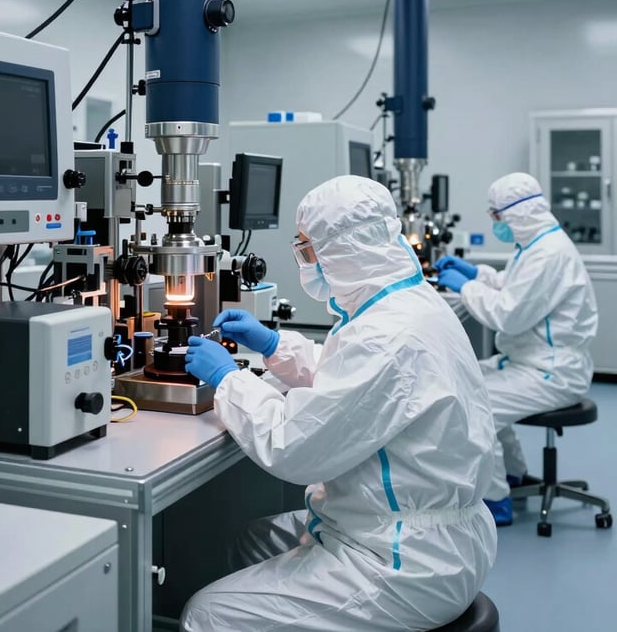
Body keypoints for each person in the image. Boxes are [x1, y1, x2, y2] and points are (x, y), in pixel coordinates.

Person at [181, 175, 497, 632]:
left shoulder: (386, 334)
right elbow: (352, 384)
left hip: (402, 561)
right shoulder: (404, 304)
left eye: (308, 250)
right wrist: (274, 346)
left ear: (342, 249)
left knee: (205, 613)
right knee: (253, 540)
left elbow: (293, 445)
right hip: (422, 532)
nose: (307, 263)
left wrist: (229, 379)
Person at [436, 172, 597, 526]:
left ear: (517, 213)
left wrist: (464, 288)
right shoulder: (537, 245)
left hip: (551, 372)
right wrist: (475, 274)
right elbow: (511, 285)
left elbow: (508, 314)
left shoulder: (548, 254)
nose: (495, 223)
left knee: (478, 405)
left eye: (496, 216)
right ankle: (512, 474)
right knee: (469, 380)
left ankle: (495, 501)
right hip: (533, 361)